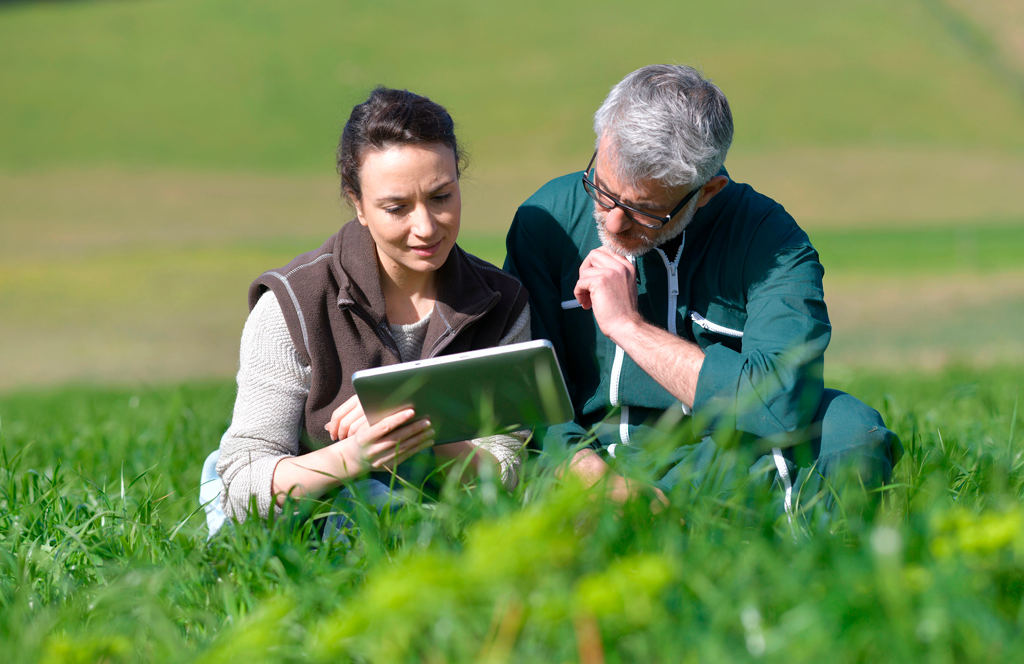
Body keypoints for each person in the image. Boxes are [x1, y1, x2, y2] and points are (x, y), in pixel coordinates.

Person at [504, 64, 902, 517]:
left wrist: (630, 327)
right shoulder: (546, 219)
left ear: (708, 190)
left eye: (645, 211)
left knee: (850, 430)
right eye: (603, 190)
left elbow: (780, 401)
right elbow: (522, 384)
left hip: (719, 459)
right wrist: (587, 473)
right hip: (589, 460)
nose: (612, 224)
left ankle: (794, 551)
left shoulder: (772, 242)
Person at [202, 87, 530, 537]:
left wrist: (420, 426)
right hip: (308, 528)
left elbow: (510, 474)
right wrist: (355, 456)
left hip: (444, 530)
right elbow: (241, 487)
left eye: (441, 197)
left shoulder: (502, 302)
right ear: (357, 203)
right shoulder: (292, 303)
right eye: (396, 208)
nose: (426, 227)